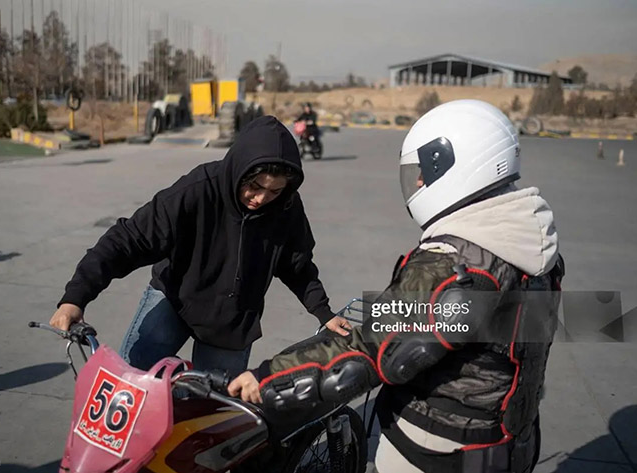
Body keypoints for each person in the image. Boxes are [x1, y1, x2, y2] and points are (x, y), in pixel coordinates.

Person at [229, 100, 564, 473]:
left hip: (438, 450)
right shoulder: (529, 242)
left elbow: (372, 348)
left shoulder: (454, 264)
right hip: (511, 441)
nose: (418, 181)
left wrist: (268, 377)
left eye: (426, 171)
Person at [49, 116, 350, 377]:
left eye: (274, 191)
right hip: (175, 299)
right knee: (133, 387)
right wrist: (75, 298)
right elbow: (128, 239)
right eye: (255, 186)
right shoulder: (198, 189)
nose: (261, 199)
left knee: (213, 415)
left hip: (232, 319)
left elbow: (297, 265)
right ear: (240, 169)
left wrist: (324, 312)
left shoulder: (286, 208)